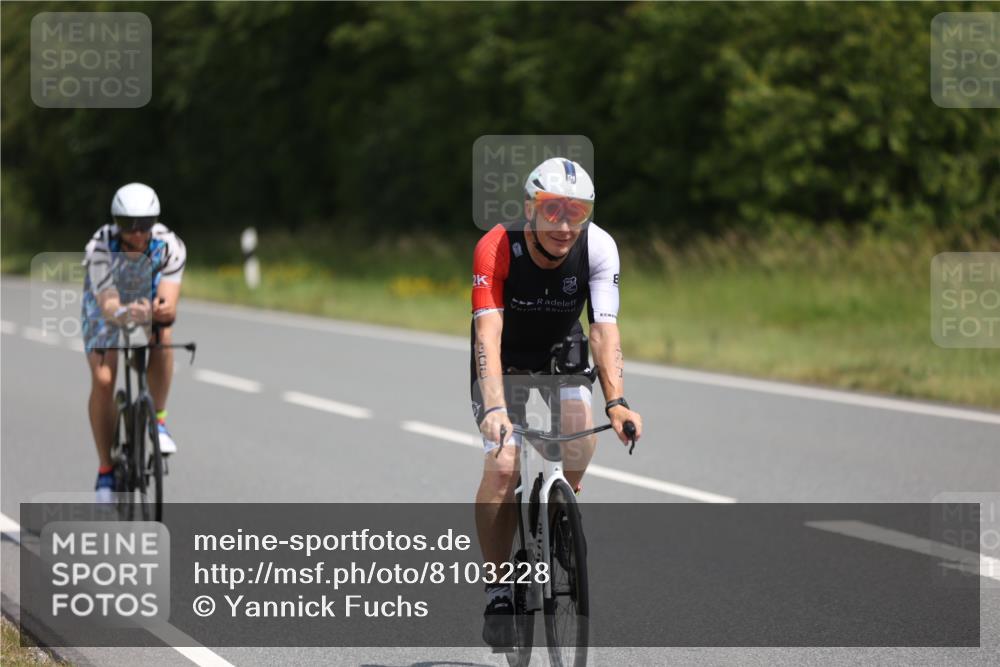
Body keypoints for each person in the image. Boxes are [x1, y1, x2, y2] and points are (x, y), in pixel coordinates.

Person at [470, 157, 644, 647]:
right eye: (552, 211)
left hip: (561, 347)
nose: (565, 224)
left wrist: (618, 400)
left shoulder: (598, 247)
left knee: (579, 430)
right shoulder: (497, 246)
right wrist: (497, 407)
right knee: (503, 467)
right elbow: (488, 329)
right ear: (531, 209)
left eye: (577, 211)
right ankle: (498, 587)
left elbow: (604, 331)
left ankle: (563, 516)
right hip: (503, 355)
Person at [81, 183, 186, 502]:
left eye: (146, 224)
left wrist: (158, 310)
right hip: (105, 304)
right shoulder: (100, 245)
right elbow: (108, 305)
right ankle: (105, 472)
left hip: (146, 298)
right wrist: (127, 311)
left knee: (164, 332)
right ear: (117, 222)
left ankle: (159, 419)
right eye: (129, 225)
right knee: (103, 379)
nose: (138, 233)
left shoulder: (170, 245)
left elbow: (169, 301)